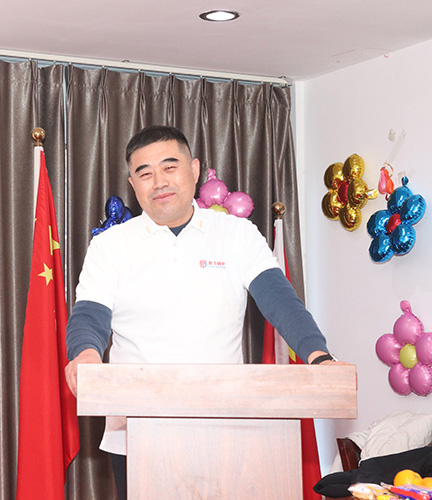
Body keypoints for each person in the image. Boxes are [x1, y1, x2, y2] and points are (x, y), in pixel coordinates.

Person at [64, 125, 342, 500]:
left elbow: (281, 301)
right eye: (145, 173)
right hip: (135, 432)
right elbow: (89, 315)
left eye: (170, 167)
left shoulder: (237, 234)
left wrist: (319, 356)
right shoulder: (110, 246)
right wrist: (85, 355)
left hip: (226, 429)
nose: (159, 182)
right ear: (133, 184)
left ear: (194, 170)